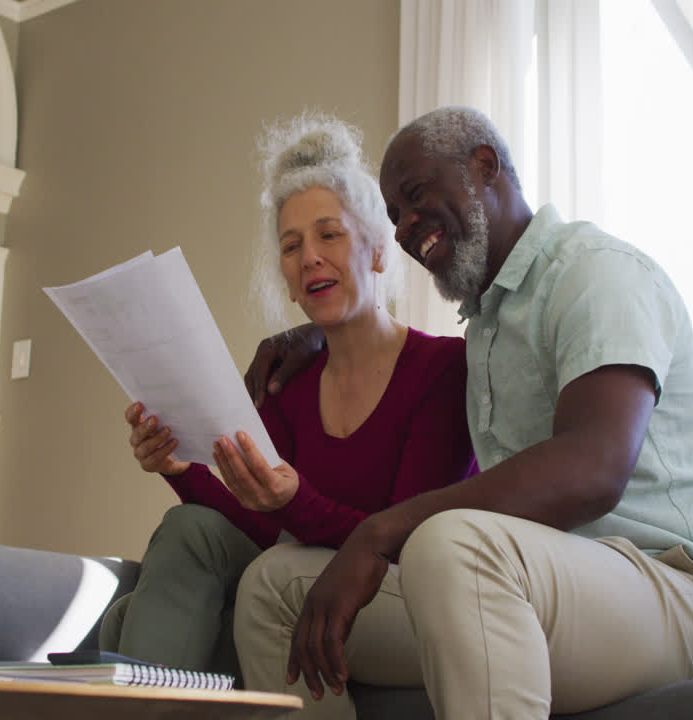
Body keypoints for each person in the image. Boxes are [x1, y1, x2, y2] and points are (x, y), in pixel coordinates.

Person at [233, 105, 693, 719]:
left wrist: (381, 529)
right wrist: (312, 337)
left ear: (484, 167)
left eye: (416, 196)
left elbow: (593, 468)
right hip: (541, 595)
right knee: (273, 588)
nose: (409, 228)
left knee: (451, 543)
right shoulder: (486, 328)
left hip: (691, 604)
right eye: (395, 216)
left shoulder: (595, 273)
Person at [98, 113, 475, 683]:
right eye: (291, 245)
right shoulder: (287, 383)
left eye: (330, 234)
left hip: (387, 592)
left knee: (140, 619)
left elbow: (403, 545)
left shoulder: (440, 370)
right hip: (285, 579)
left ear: (376, 250)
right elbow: (260, 525)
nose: (309, 258)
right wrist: (180, 470)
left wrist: (294, 501)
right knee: (178, 538)